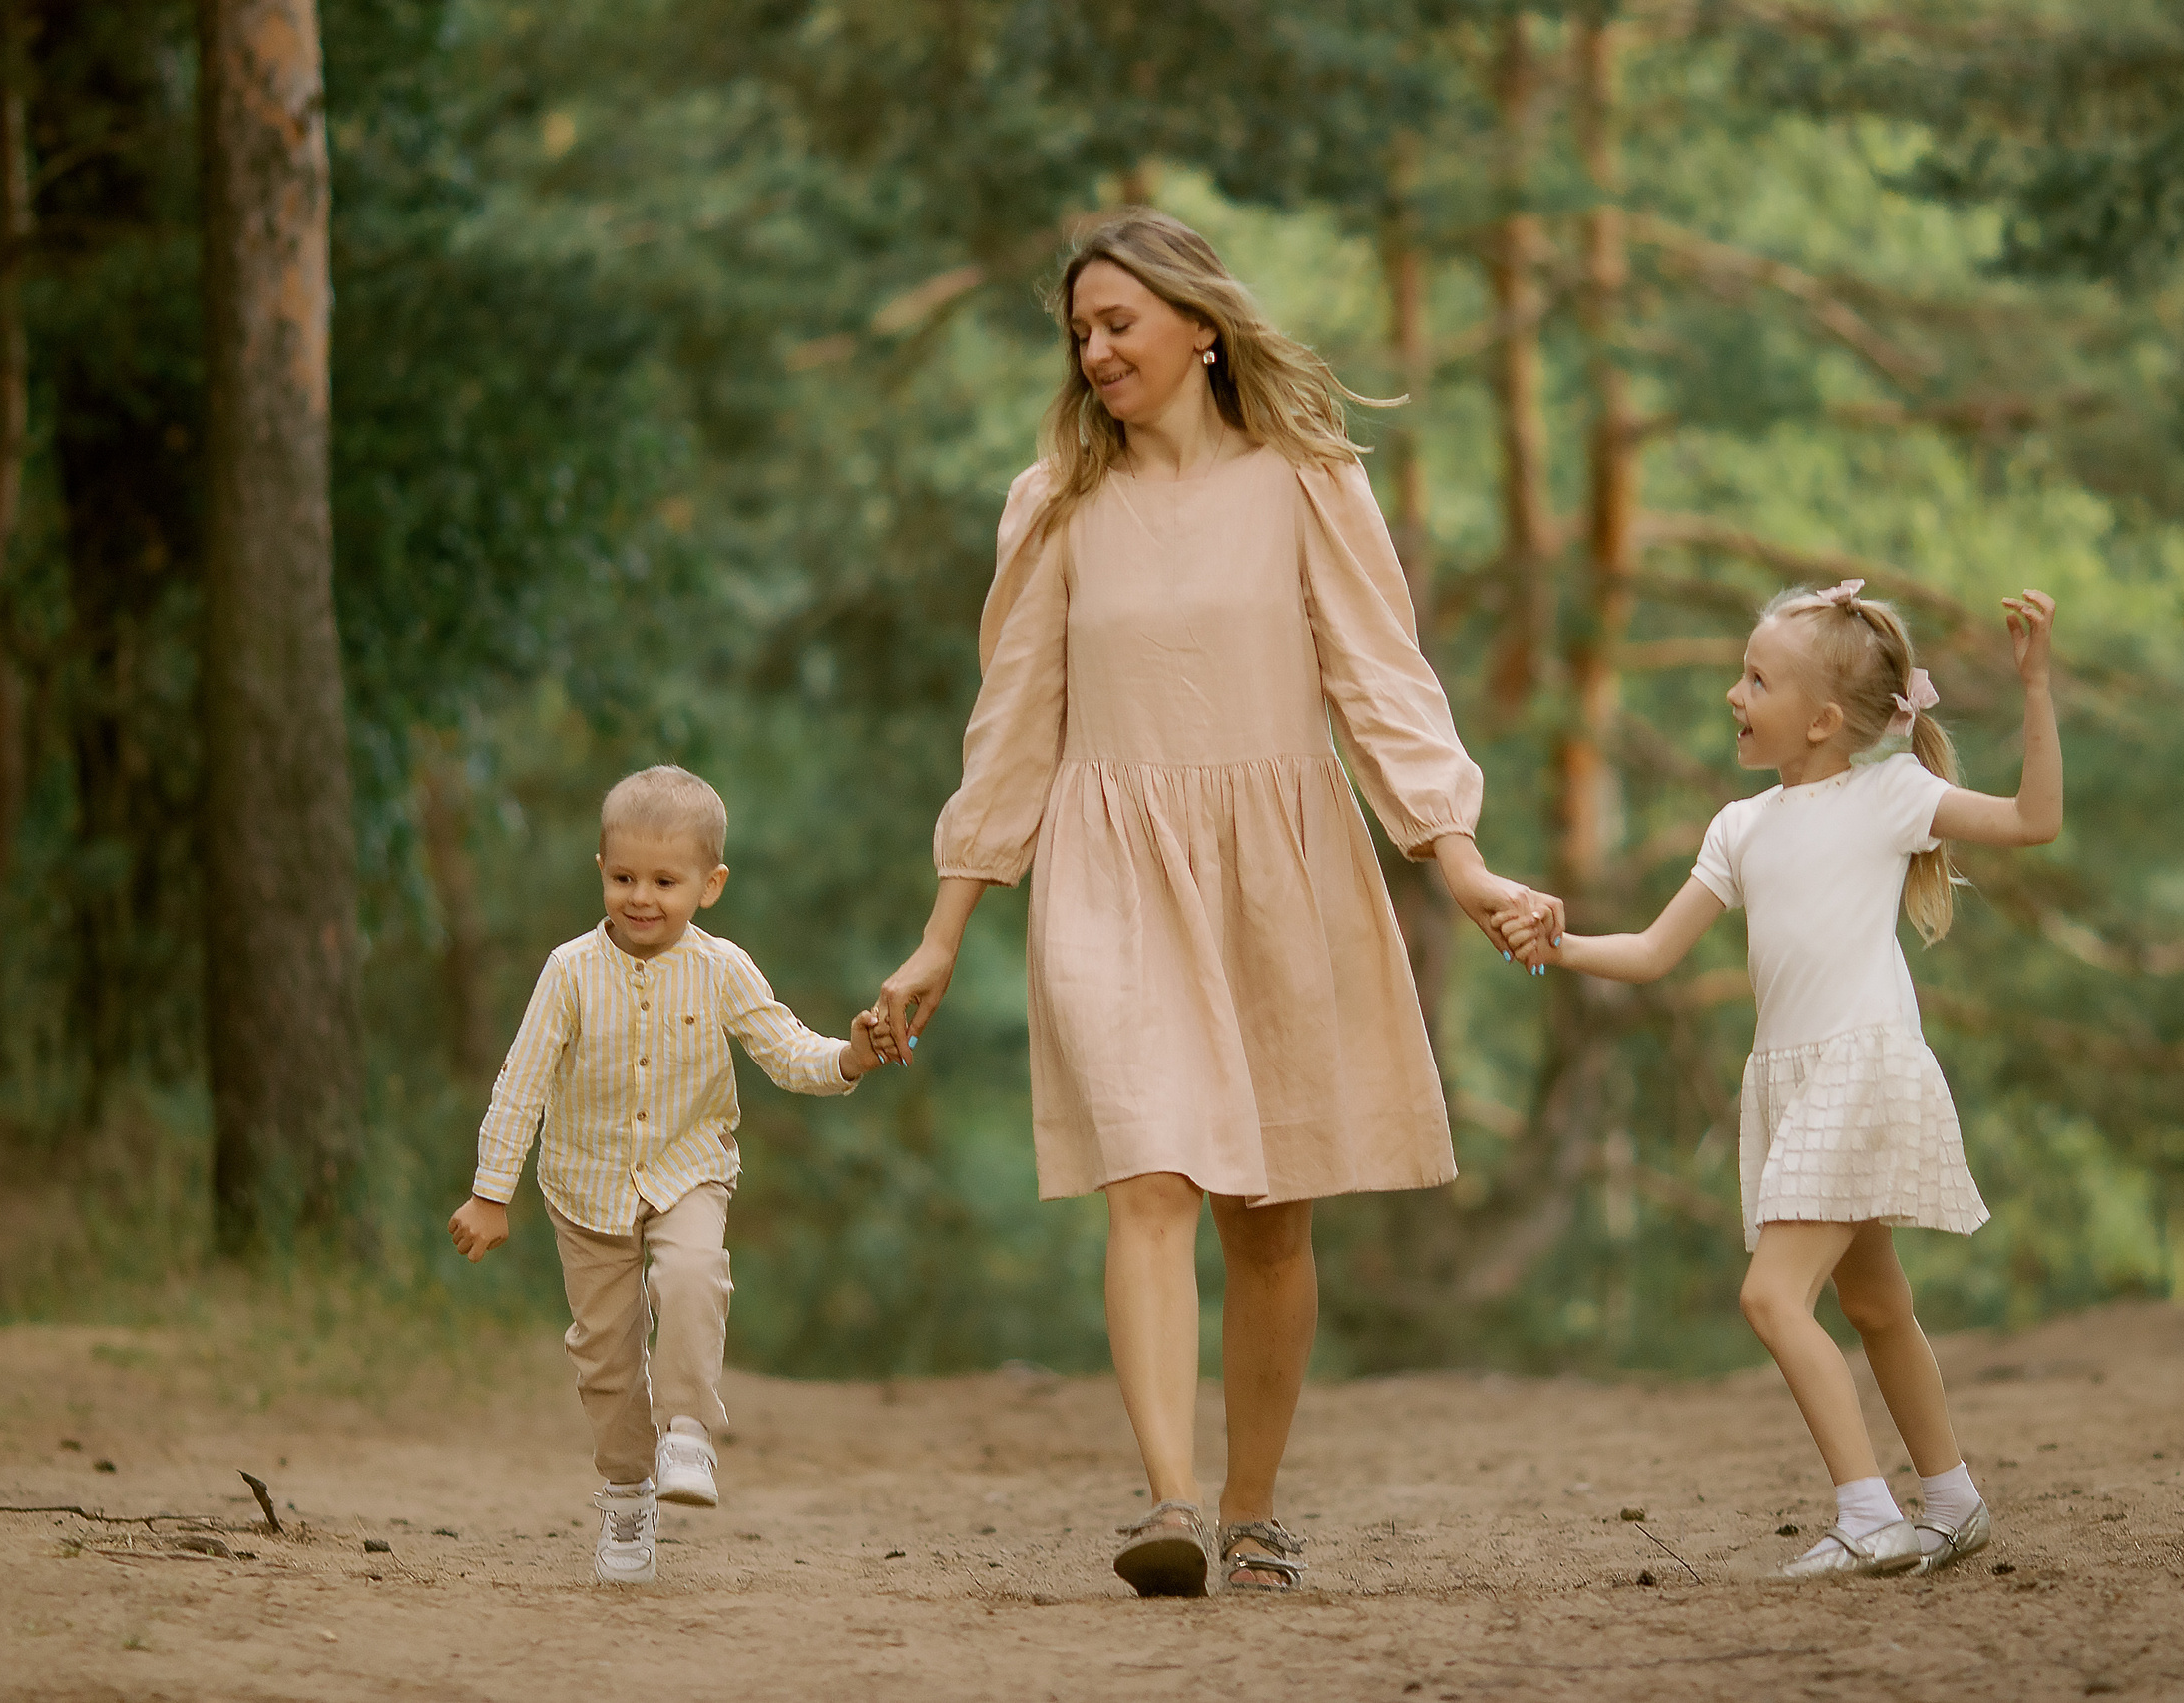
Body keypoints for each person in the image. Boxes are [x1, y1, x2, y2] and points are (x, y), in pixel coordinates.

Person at [867, 210, 1559, 1597]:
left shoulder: (1305, 478)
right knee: (1150, 1171)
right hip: (1110, 863)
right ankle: (1171, 1500)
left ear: (1199, 325)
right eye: (1079, 332)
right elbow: (1010, 727)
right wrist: (946, 924)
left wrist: (1458, 855)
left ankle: (1252, 1508)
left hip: (1280, 860)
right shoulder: (1054, 501)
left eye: (1119, 322)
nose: (1095, 349)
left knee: (1270, 1215)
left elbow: (1381, 680)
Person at [1508, 580, 2061, 1578]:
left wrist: (2034, 689)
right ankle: (1951, 1500)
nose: (1732, 693)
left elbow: (2033, 820)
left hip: (1862, 1065)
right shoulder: (1739, 827)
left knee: (1771, 1300)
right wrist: (1557, 945)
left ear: (1819, 718)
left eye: (1755, 678)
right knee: (1874, 1307)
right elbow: (1648, 952)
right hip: (1791, 1082)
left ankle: (1867, 1515)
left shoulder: (1889, 796)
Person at [446, 764, 887, 1585]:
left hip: (689, 1169)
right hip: (584, 1190)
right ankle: (624, 1494)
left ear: (709, 884)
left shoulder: (722, 968)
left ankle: (688, 1429)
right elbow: (522, 1081)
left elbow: (788, 1051)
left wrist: (851, 1056)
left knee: (691, 1272)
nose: (640, 896)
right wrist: (489, 1191)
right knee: (605, 1359)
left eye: (664, 879)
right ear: (601, 871)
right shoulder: (568, 971)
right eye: (622, 877)